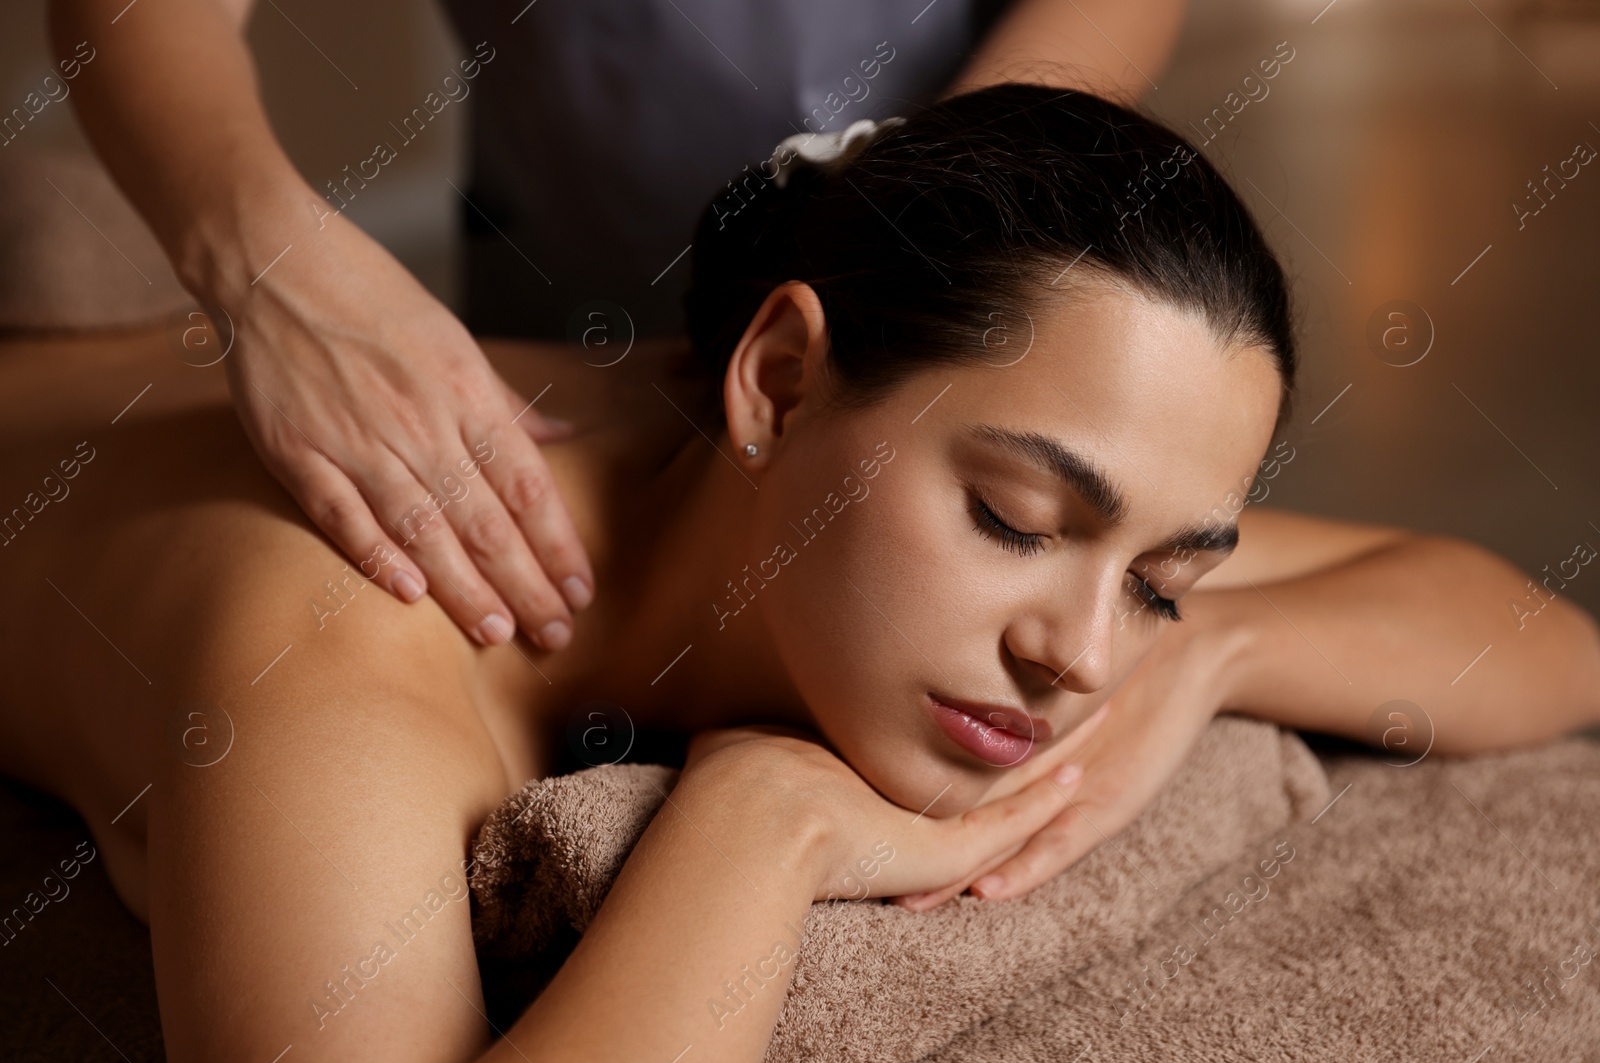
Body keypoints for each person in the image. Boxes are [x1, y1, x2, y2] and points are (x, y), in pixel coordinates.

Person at [3, 84, 1596, 1063]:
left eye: (1163, 578)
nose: (1080, 657)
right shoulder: (346, 649)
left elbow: (1539, 639)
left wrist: (1219, 655)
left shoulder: (838, 482)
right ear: (774, 376)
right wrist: (763, 822)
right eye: (1021, 519)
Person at [47, 0, 1187, 656]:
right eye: (1007, 518)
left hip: (943, 271)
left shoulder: (1029, 510)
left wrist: (944, 217)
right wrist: (262, 264)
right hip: (559, 273)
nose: (1081, 664)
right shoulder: (366, 630)